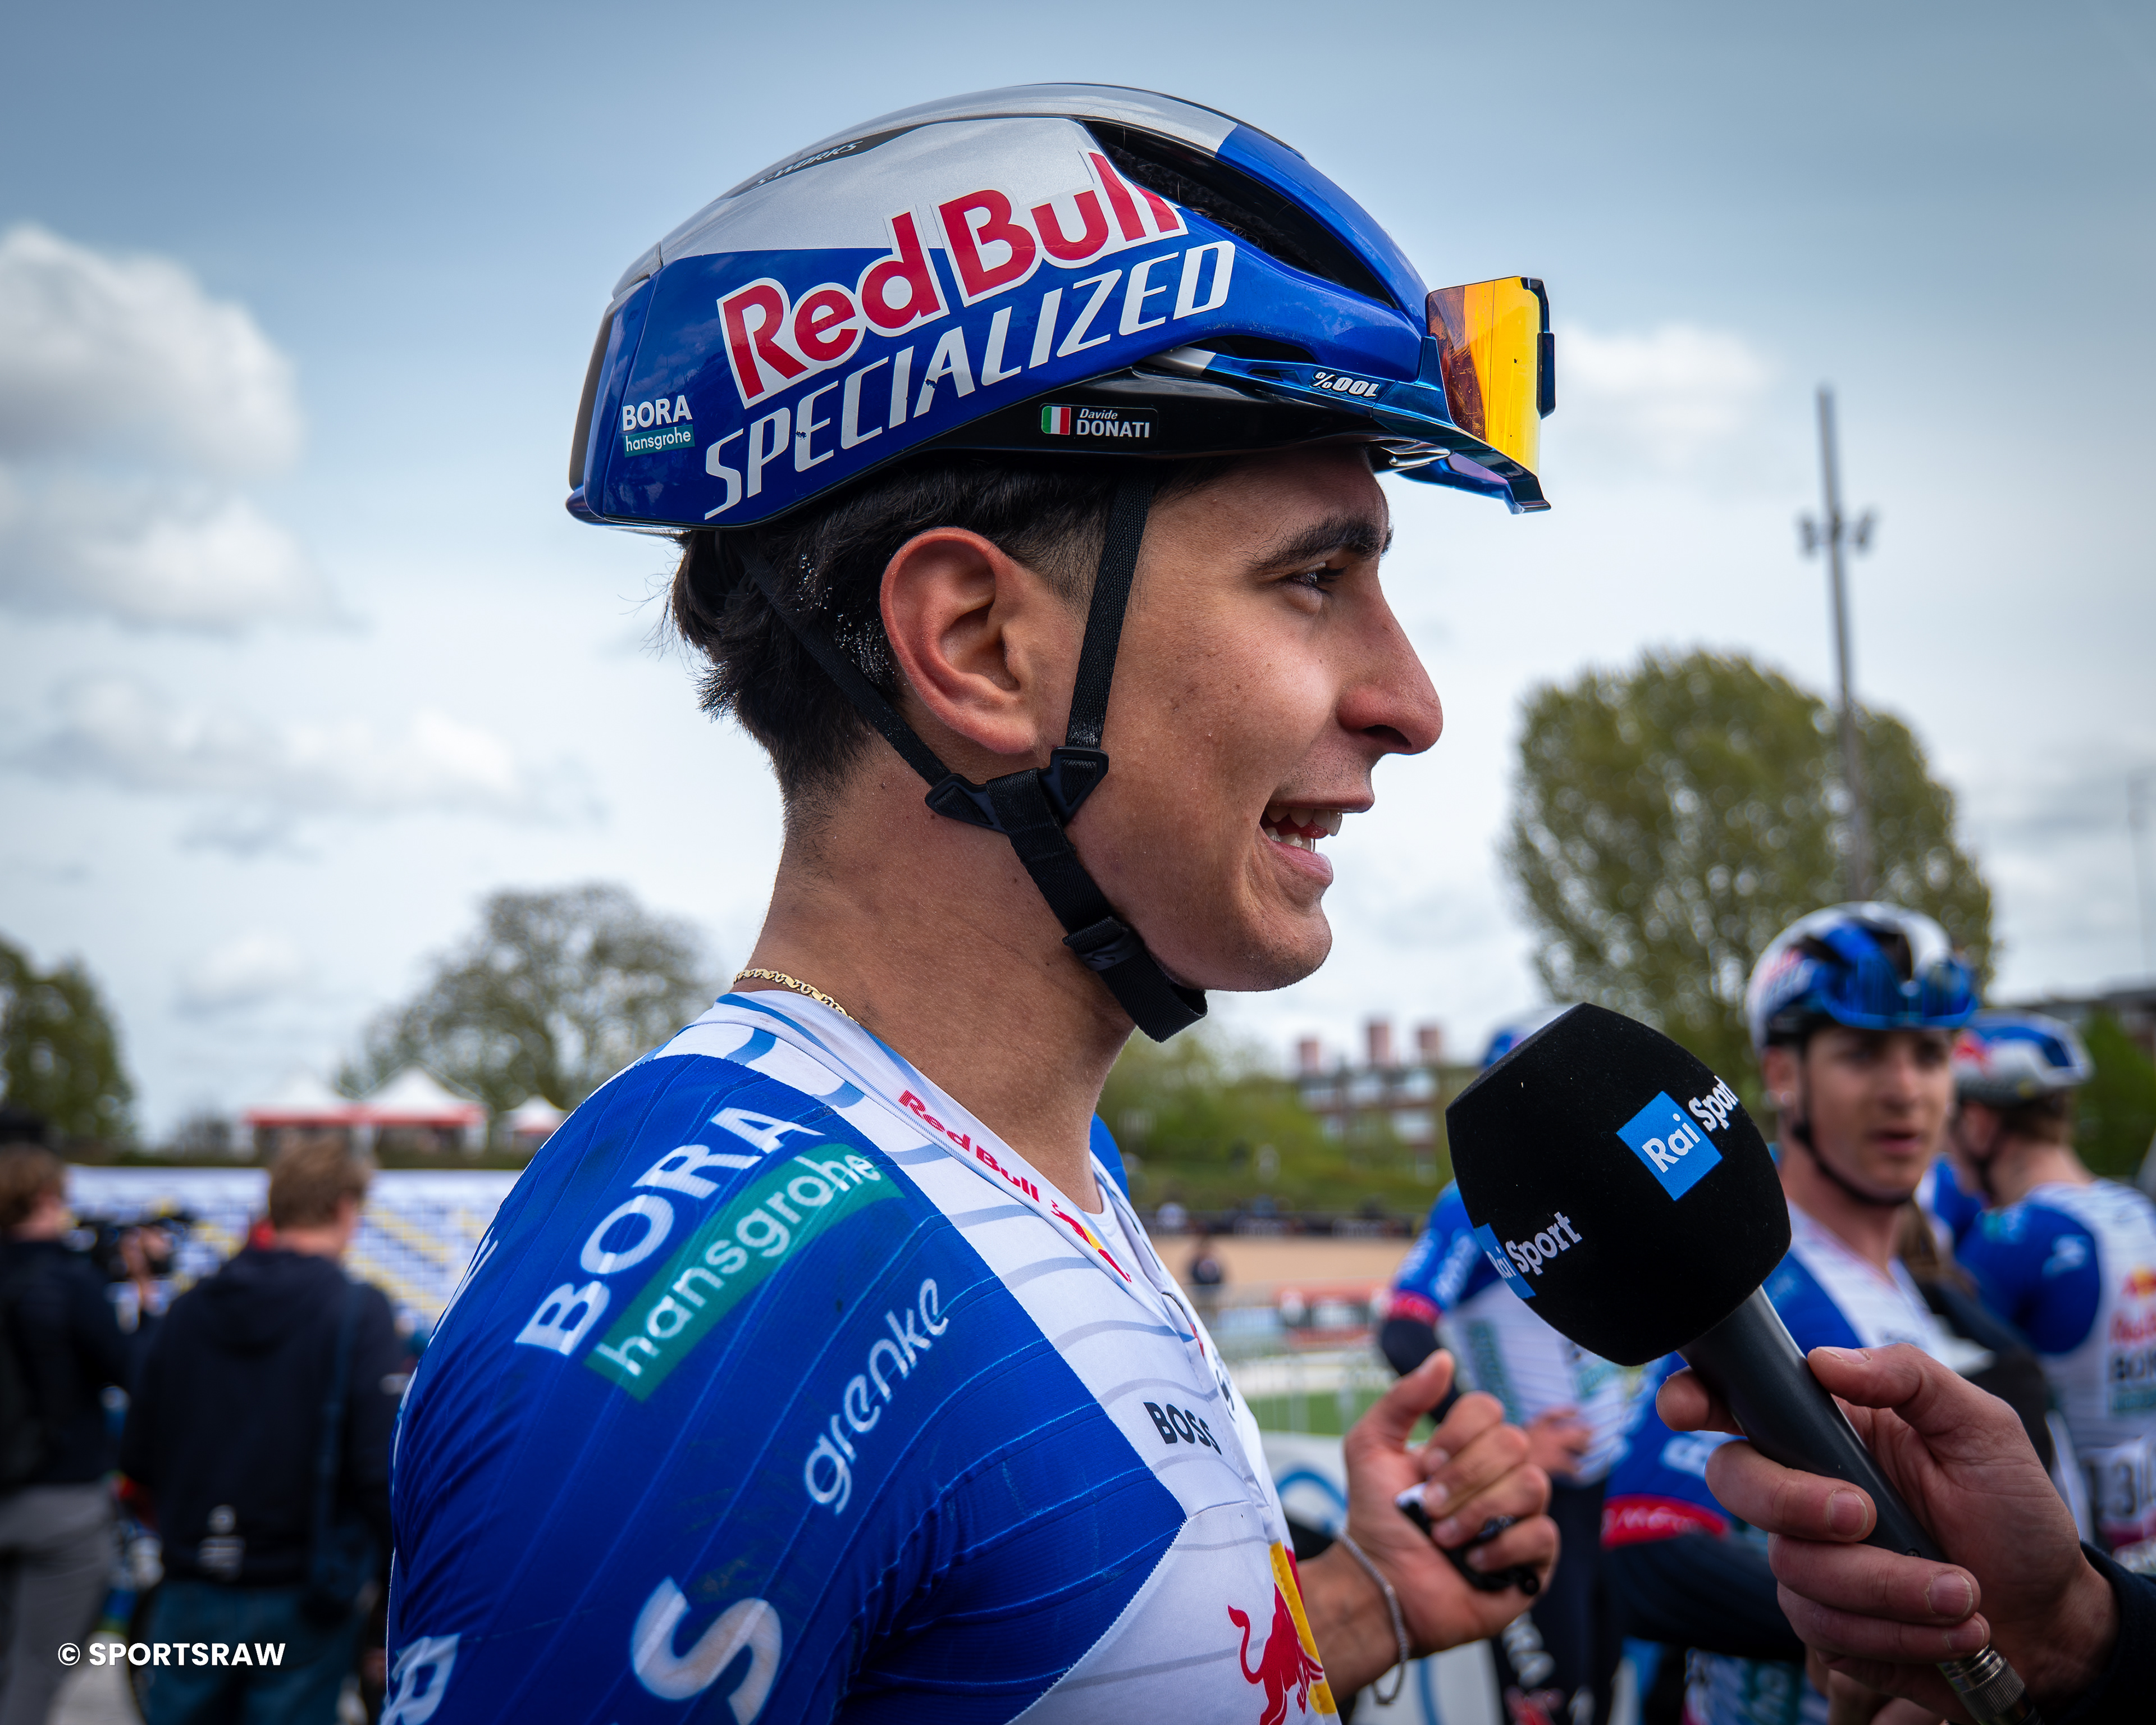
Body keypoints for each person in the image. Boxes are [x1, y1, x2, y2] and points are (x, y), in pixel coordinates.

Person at [387, 84, 1562, 1723]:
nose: (1409, 701)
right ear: (977, 648)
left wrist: (1357, 1601)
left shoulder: (1009, 1170)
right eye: (1314, 577)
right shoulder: (744, 1292)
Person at [1599, 903, 1978, 1725]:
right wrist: (1899, 1632)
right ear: (1782, 1073)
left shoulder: (1913, 1270)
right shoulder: (1758, 1275)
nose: (1905, 1090)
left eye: (1930, 1053)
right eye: (1862, 1053)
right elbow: (1644, 1545)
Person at [1657, 1341, 2151, 1724]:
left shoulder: (1946, 1300)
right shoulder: (1800, 1297)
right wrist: (1817, 1609)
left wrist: (2070, 1631)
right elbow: (1650, 1560)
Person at [1383, 1012, 1628, 1725]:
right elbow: (1402, 1334)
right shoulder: (1470, 1204)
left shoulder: (1595, 1184)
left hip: (1605, 1493)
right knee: (1551, 1706)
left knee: (1602, 1693)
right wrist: (1506, 1446)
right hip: (1531, 1502)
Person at [123, 1140, 401, 1725]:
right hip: (302, 1592)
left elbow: (138, 1451)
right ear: (345, 1208)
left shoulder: (190, 1308)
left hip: (192, 1582)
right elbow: (377, 1467)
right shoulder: (357, 1311)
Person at [1945, 1011, 2156, 1571]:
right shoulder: (2135, 1211)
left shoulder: (2014, 1237)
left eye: (1949, 1120)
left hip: (2080, 1553)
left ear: (1980, 1124)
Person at [0, 1132, 155, 1725]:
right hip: (60, 1503)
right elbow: (134, 1372)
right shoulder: (68, 1282)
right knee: (36, 1671)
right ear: (46, 1196)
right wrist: (144, 1293)